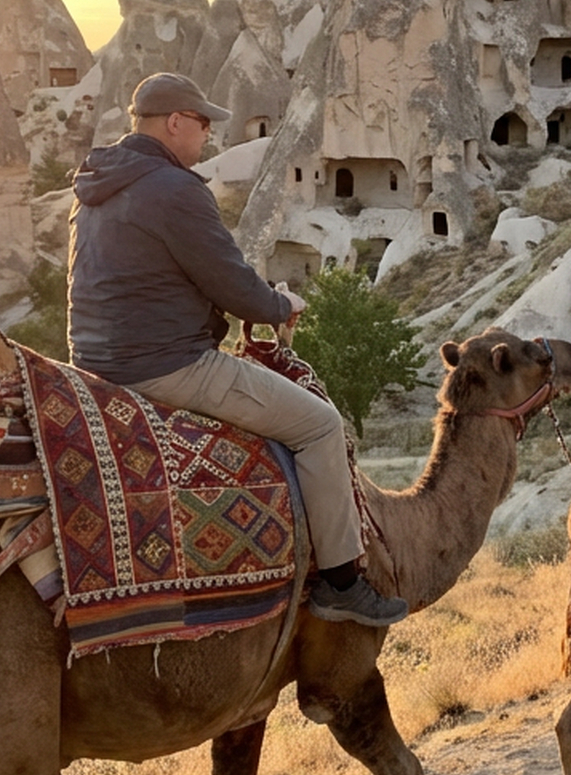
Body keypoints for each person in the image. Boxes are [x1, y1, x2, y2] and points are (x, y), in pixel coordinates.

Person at [67, 72, 407, 627]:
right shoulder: (174, 189)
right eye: (202, 123)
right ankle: (342, 583)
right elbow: (231, 284)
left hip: (93, 364)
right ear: (174, 122)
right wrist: (279, 305)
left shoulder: (96, 186)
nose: (209, 136)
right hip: (166, 365)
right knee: (320, 426)